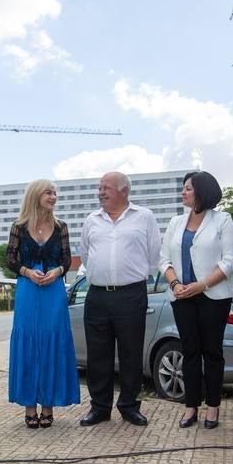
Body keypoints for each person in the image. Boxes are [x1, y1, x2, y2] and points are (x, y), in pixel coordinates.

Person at [79, 171, 161, 427]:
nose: (101, 192)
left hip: (131, 294)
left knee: (131, 353)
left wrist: (131, 275)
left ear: (124, 191)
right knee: (98, 356)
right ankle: (99, 408)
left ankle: (129, 405)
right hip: (97, 295)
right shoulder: (92, 220)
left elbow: (153, 255)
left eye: (106, 187)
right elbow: (84, 255)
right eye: (99, 187)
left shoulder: (144, 217)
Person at [161, 171, 233, 429]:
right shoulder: (175, 223)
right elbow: (164, 260)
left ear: (202, 191)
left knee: (212, 352)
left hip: (213, 296)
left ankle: (213, 407)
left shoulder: (223, 220)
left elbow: (229, 261)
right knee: (190, 352)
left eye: (187, 188)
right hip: (181, 296)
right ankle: (190, 406)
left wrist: (201, 285)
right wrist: (175, 283)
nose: (183, 193)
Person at [6, 179, 80, 428]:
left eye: (55, 193)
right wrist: (27, 272)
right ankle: (29, 406)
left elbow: (67, 259)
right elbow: (11, 259)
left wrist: (58, 272)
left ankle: (48, 406)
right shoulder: (18, 226)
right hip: (28, 288)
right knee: (29, 341)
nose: (53, 196)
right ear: (36, 195)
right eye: (48, 192)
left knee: (52, 342)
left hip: (53, 290)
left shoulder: (61, 227)